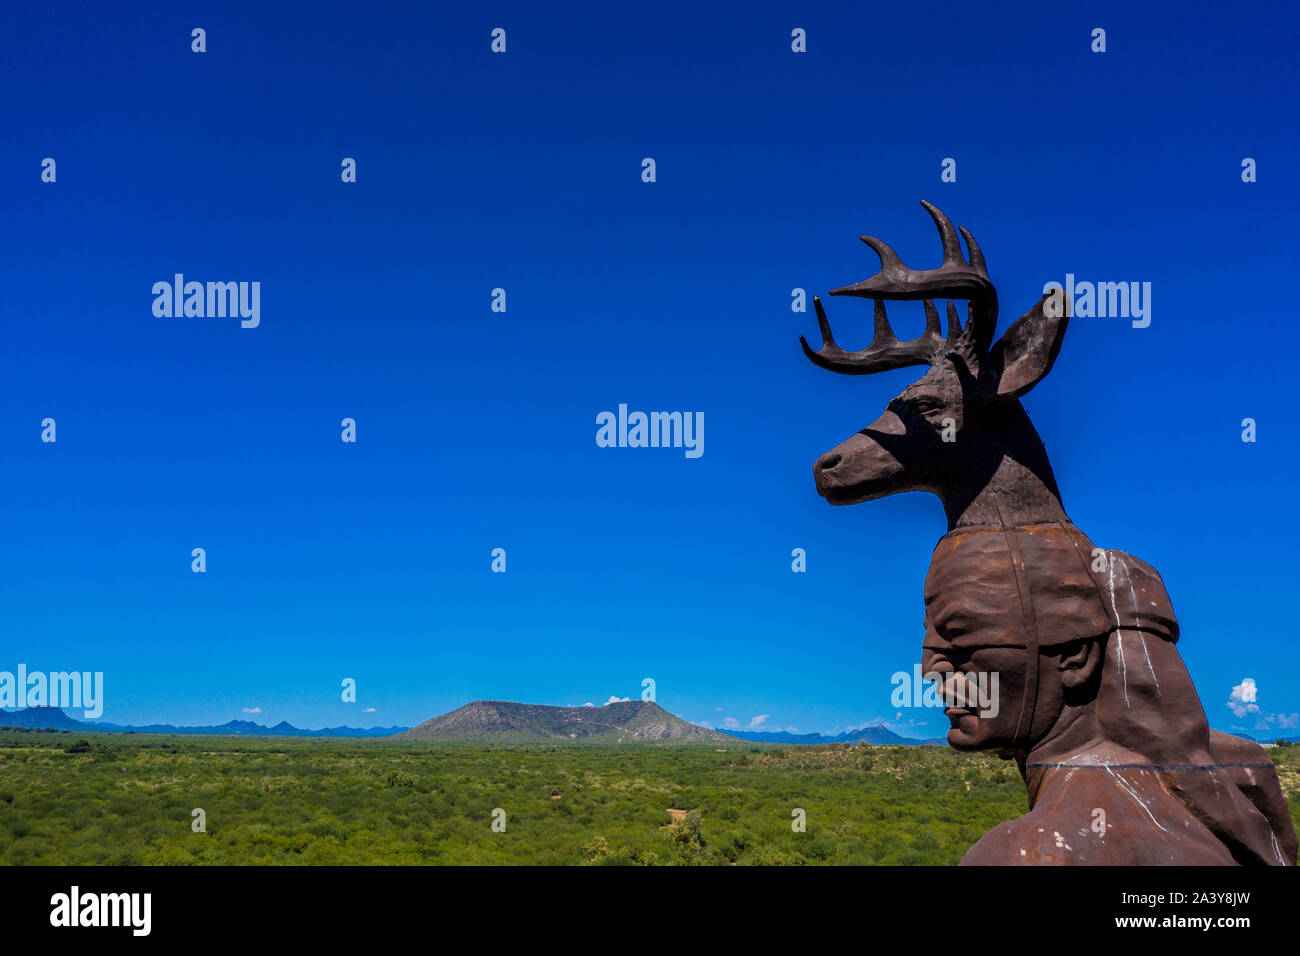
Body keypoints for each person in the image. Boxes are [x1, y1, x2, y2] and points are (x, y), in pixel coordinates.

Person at [921, 521, 1297, 866]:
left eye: (960, 634)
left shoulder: (1029, 852)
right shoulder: (1219, 784)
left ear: (1074, 655)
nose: (930, 669)